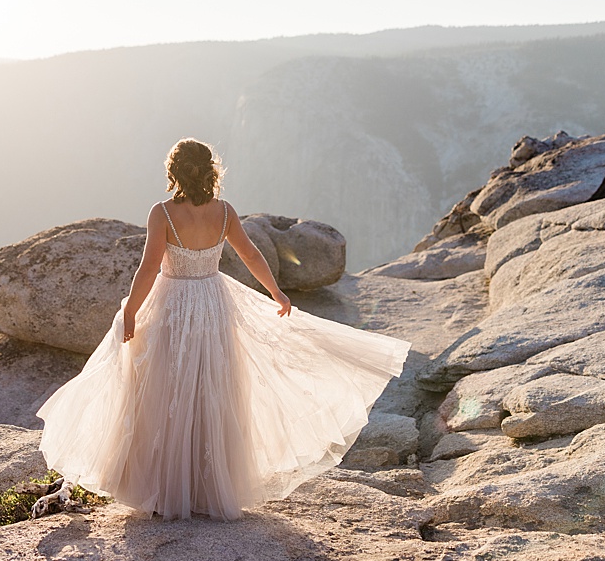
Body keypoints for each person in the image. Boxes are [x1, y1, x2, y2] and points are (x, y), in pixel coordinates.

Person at [35, 138, 409, 520]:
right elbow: (249, 254)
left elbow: (148, 269)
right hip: (213, 304)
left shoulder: (162, 213)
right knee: (213, 389)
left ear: (173, 173)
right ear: (212, 172)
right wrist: (276, 291)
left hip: (173, 305)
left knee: (166, 390)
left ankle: (165, 490)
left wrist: (131, 310)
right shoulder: (225, 212)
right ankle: (208, 487)